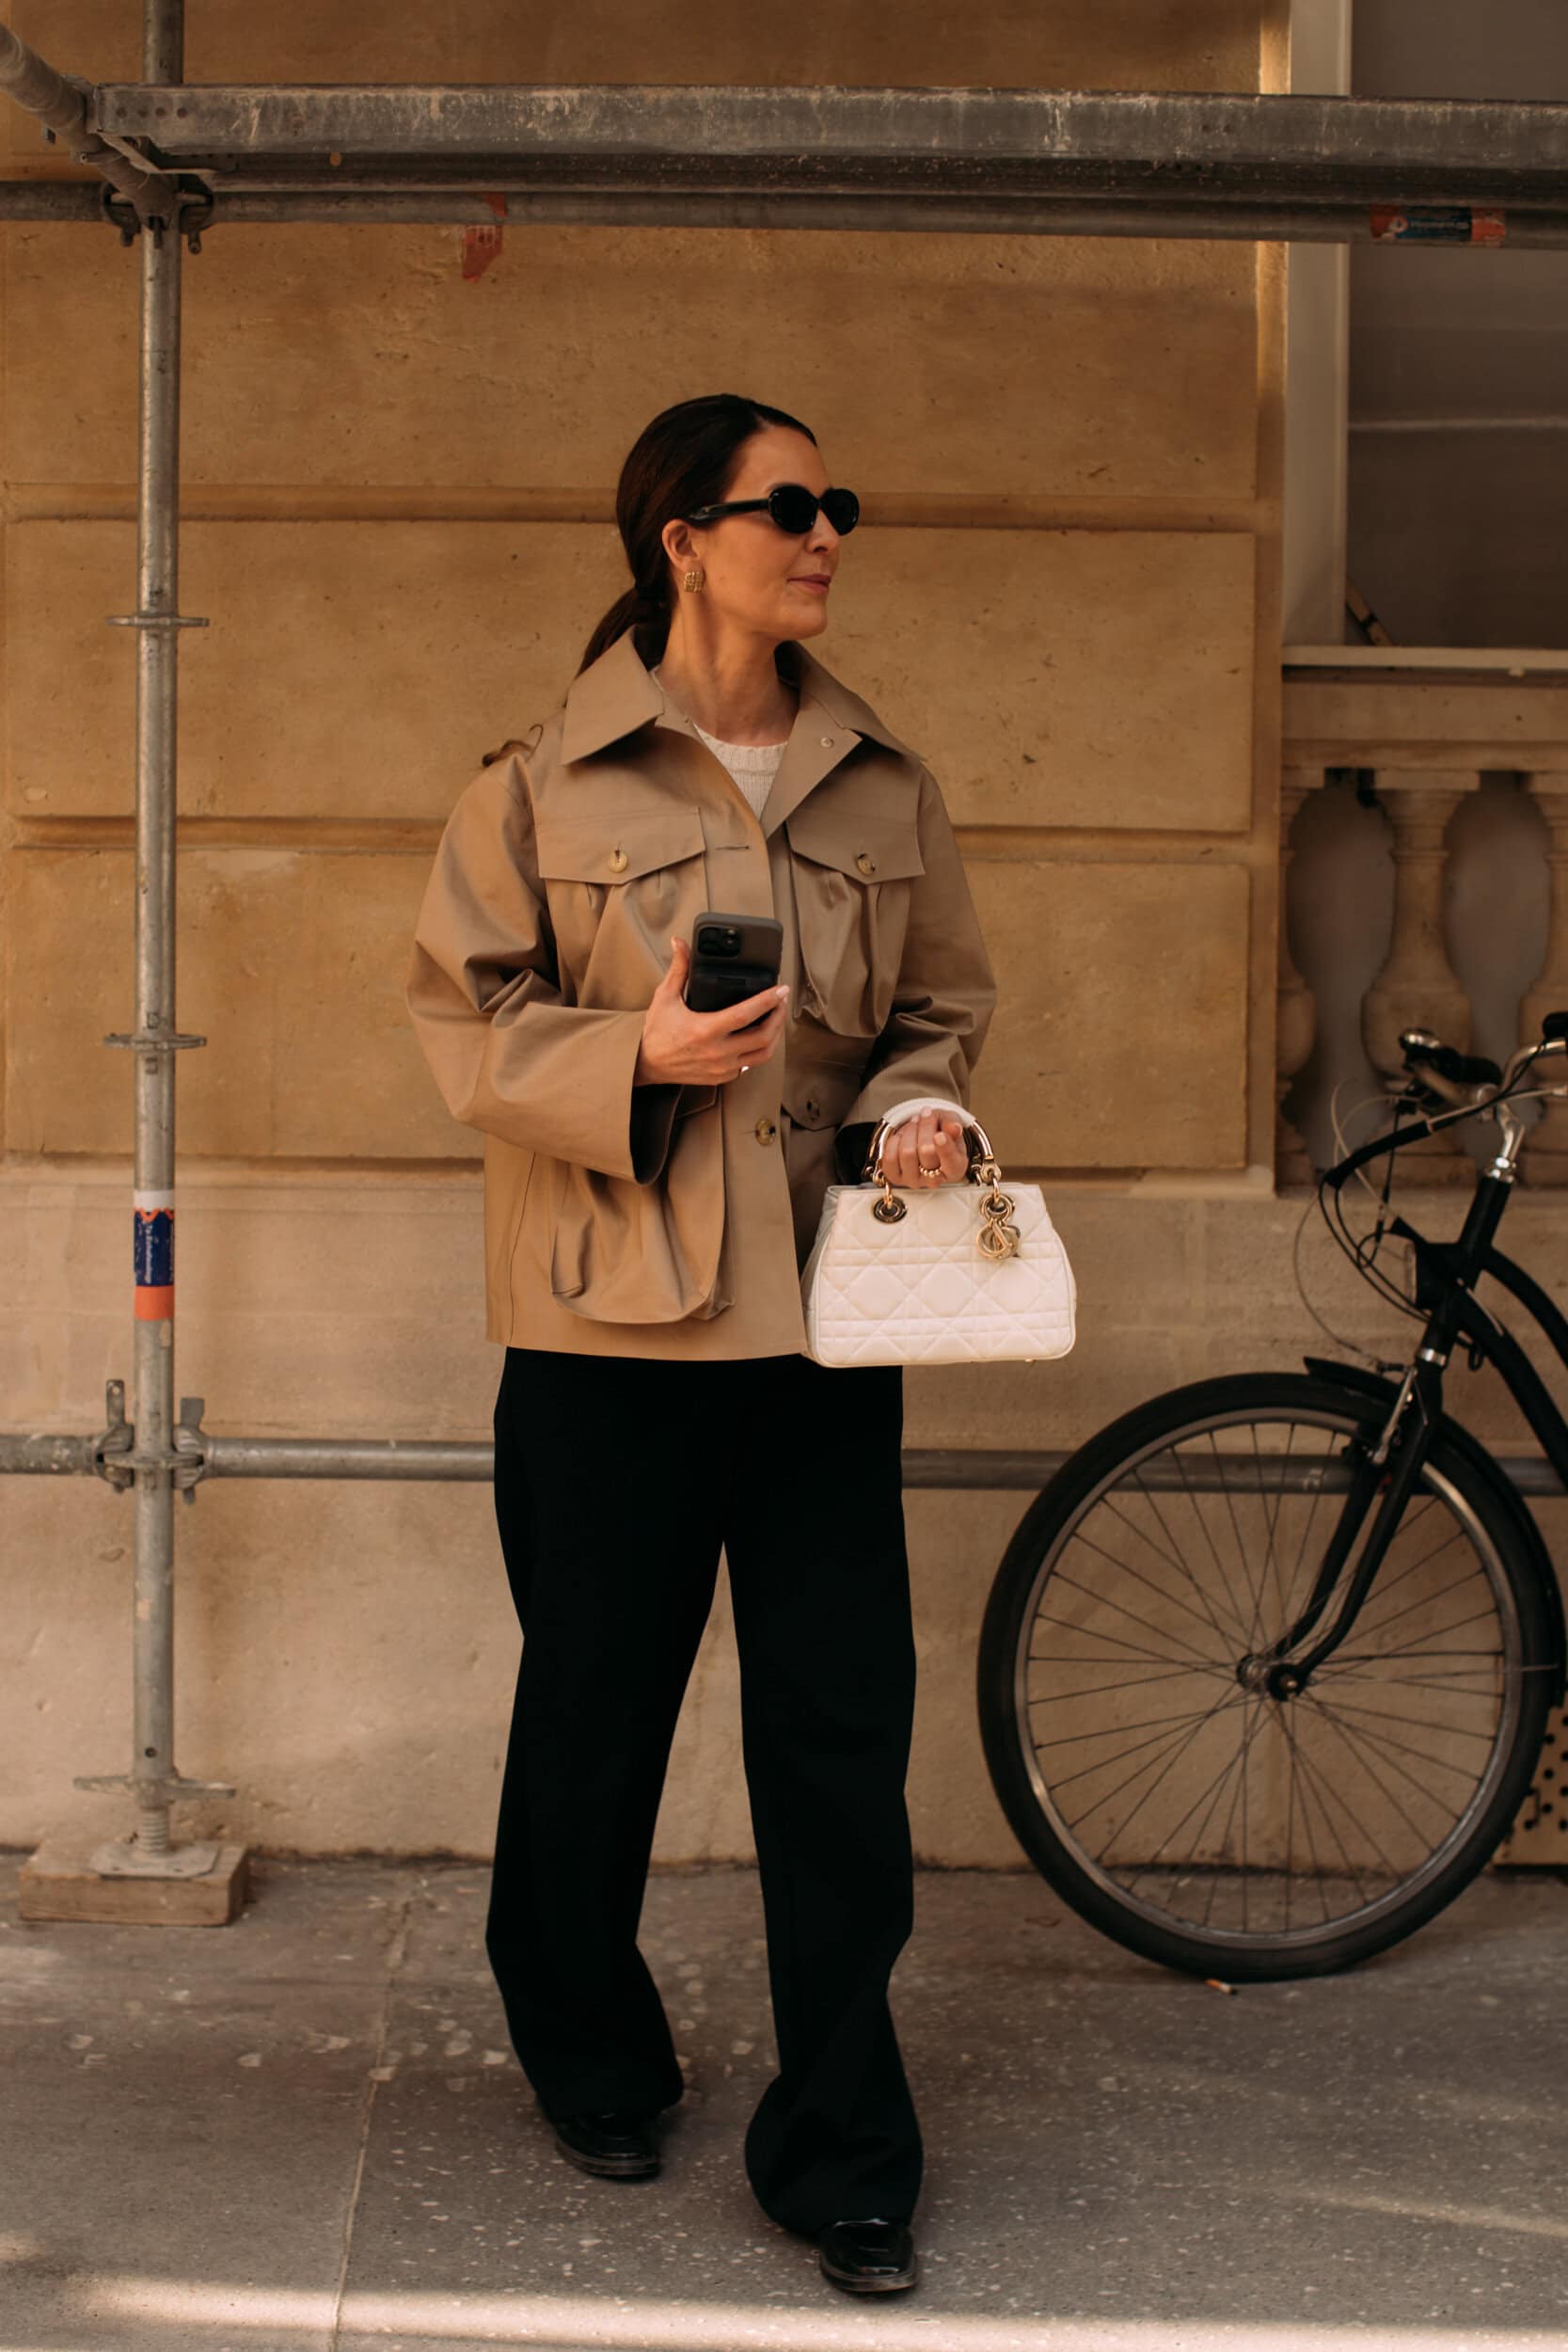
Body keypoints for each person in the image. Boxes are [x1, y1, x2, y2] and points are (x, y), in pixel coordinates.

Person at [404, 391, 997, 2298]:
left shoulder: (883, 782)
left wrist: (924, 1107)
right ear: (683, 538)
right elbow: (454, 1016)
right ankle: (591, 2046)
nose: (827, 532)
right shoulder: (541, 782)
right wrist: (628, 1054)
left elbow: (942, 1004)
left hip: (824, 1334)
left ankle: (845, 2149)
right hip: (602, 1338)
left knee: (841, 1749)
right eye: (790, 504)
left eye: (841, 503)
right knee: (593, 1728)